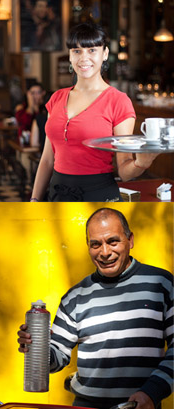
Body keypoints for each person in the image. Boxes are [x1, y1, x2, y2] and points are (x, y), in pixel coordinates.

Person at [16, 208, 172, 409]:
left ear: (130, 240)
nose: (105, 252)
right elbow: (57, 358)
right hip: (86, 404)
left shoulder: (161, 284)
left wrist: (152, 392)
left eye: (113, 241)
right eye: (95, 244)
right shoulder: (74, 297)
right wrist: (35, 347)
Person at [31, 23, 158, 201]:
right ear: (70, 55)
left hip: (99, 197)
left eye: (92, 50)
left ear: (105, 54)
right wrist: (35, 200)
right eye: (77, 51)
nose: (84, 58)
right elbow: (47, 160)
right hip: (58, 195)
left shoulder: (118, 101)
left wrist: (141, 163)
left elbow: (124, 170)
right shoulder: (56, 98)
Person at [15, 82, 48, 147]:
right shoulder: (21, 108)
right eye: (32, 93)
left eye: (38, 93)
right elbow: (24, 123)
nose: (35, 96)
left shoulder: (46, 109)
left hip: (42, 142)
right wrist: (31, 106)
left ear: (43, 93)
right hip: (26, 142)